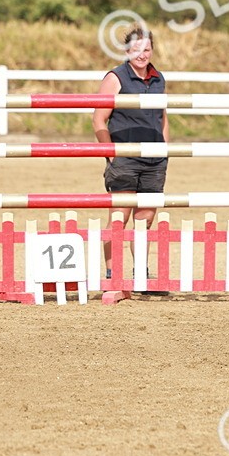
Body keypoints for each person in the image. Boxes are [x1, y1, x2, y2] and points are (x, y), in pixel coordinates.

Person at [92, 26, 169, 294]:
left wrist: (165, 149)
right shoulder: (116, 77)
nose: (142, 54)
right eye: (137, 49)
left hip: (154, 158)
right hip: (125, 156)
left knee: (145, 220)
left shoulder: (159, 78)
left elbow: (163, 118)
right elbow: (99, 118)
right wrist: (110, 153)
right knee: (118, 218)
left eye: (146, 49)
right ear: (127, 51)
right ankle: (113, 275)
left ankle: (141, 276)